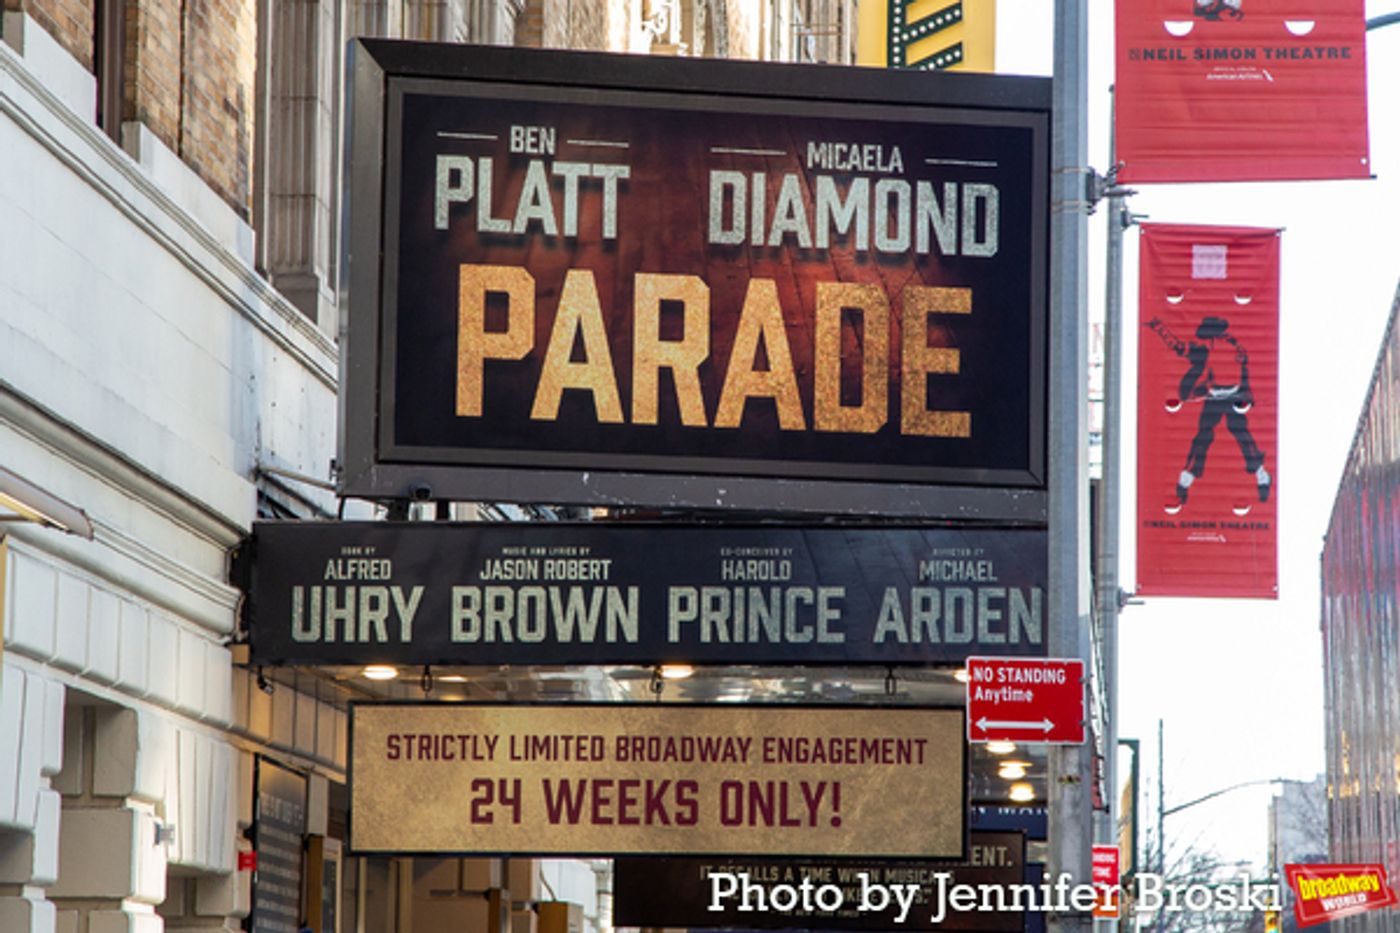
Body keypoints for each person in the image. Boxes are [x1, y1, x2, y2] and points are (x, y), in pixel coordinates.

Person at [1145, 315, 1271, 509]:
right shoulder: (1228, 345)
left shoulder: (1221, 347)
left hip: (1227, 396)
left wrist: (1160, 329)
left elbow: (1179, 348)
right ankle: (1259, 475)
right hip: (1222, 396)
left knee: (1222, 436)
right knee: (1223, 436)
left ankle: (1188, 478)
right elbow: (1181, 348)